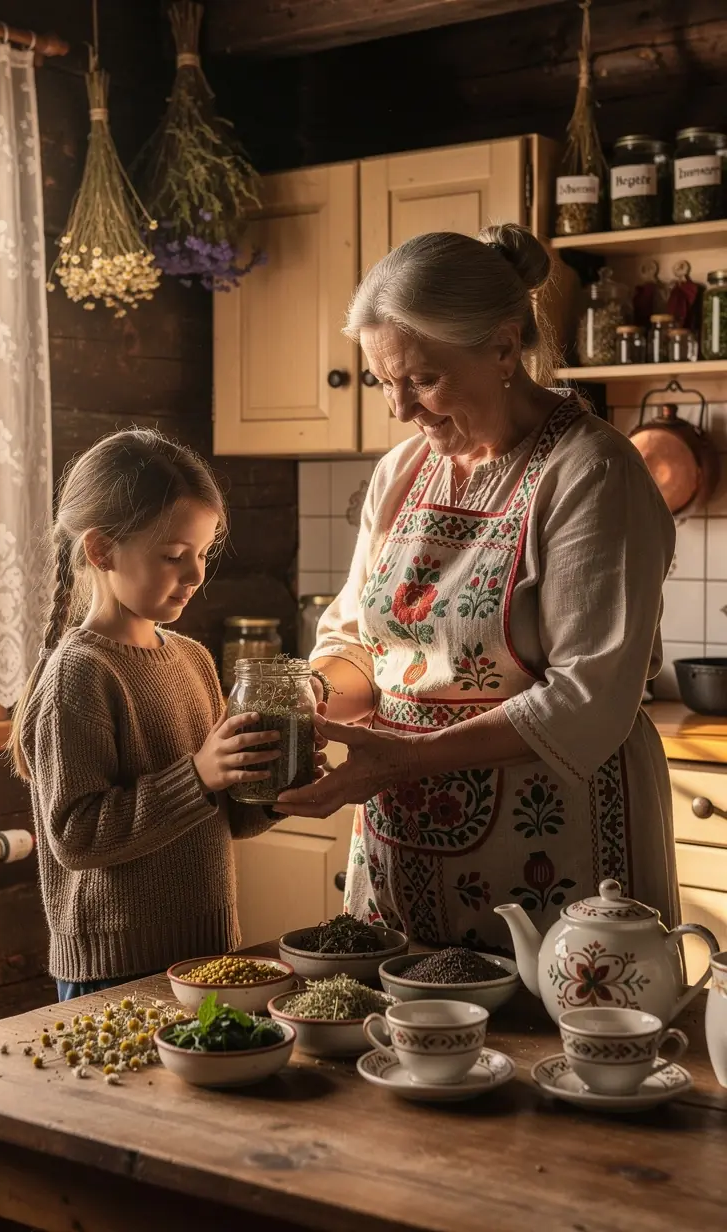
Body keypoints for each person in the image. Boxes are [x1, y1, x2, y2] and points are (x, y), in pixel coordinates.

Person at [279, 225, 679, 952]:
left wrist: (402, 757)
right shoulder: (401, 472)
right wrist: (302, 707)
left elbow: (588, 695)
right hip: (402, 833)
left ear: (502, 348)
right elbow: (358, 642)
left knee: (544, 1051)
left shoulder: (592, 474)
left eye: (422, 379)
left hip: (551, 840)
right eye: (381, 382)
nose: (398, 409)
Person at [8, 428, 324, 1001]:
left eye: (203, 554)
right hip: (113, 968)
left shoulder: (193, 660)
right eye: (175, 556)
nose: (197, 574)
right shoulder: (80, 674)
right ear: (102, 551)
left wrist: (276, 782)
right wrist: (199, 774)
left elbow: (220, 817)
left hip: (207, 951)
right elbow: (75, 837)